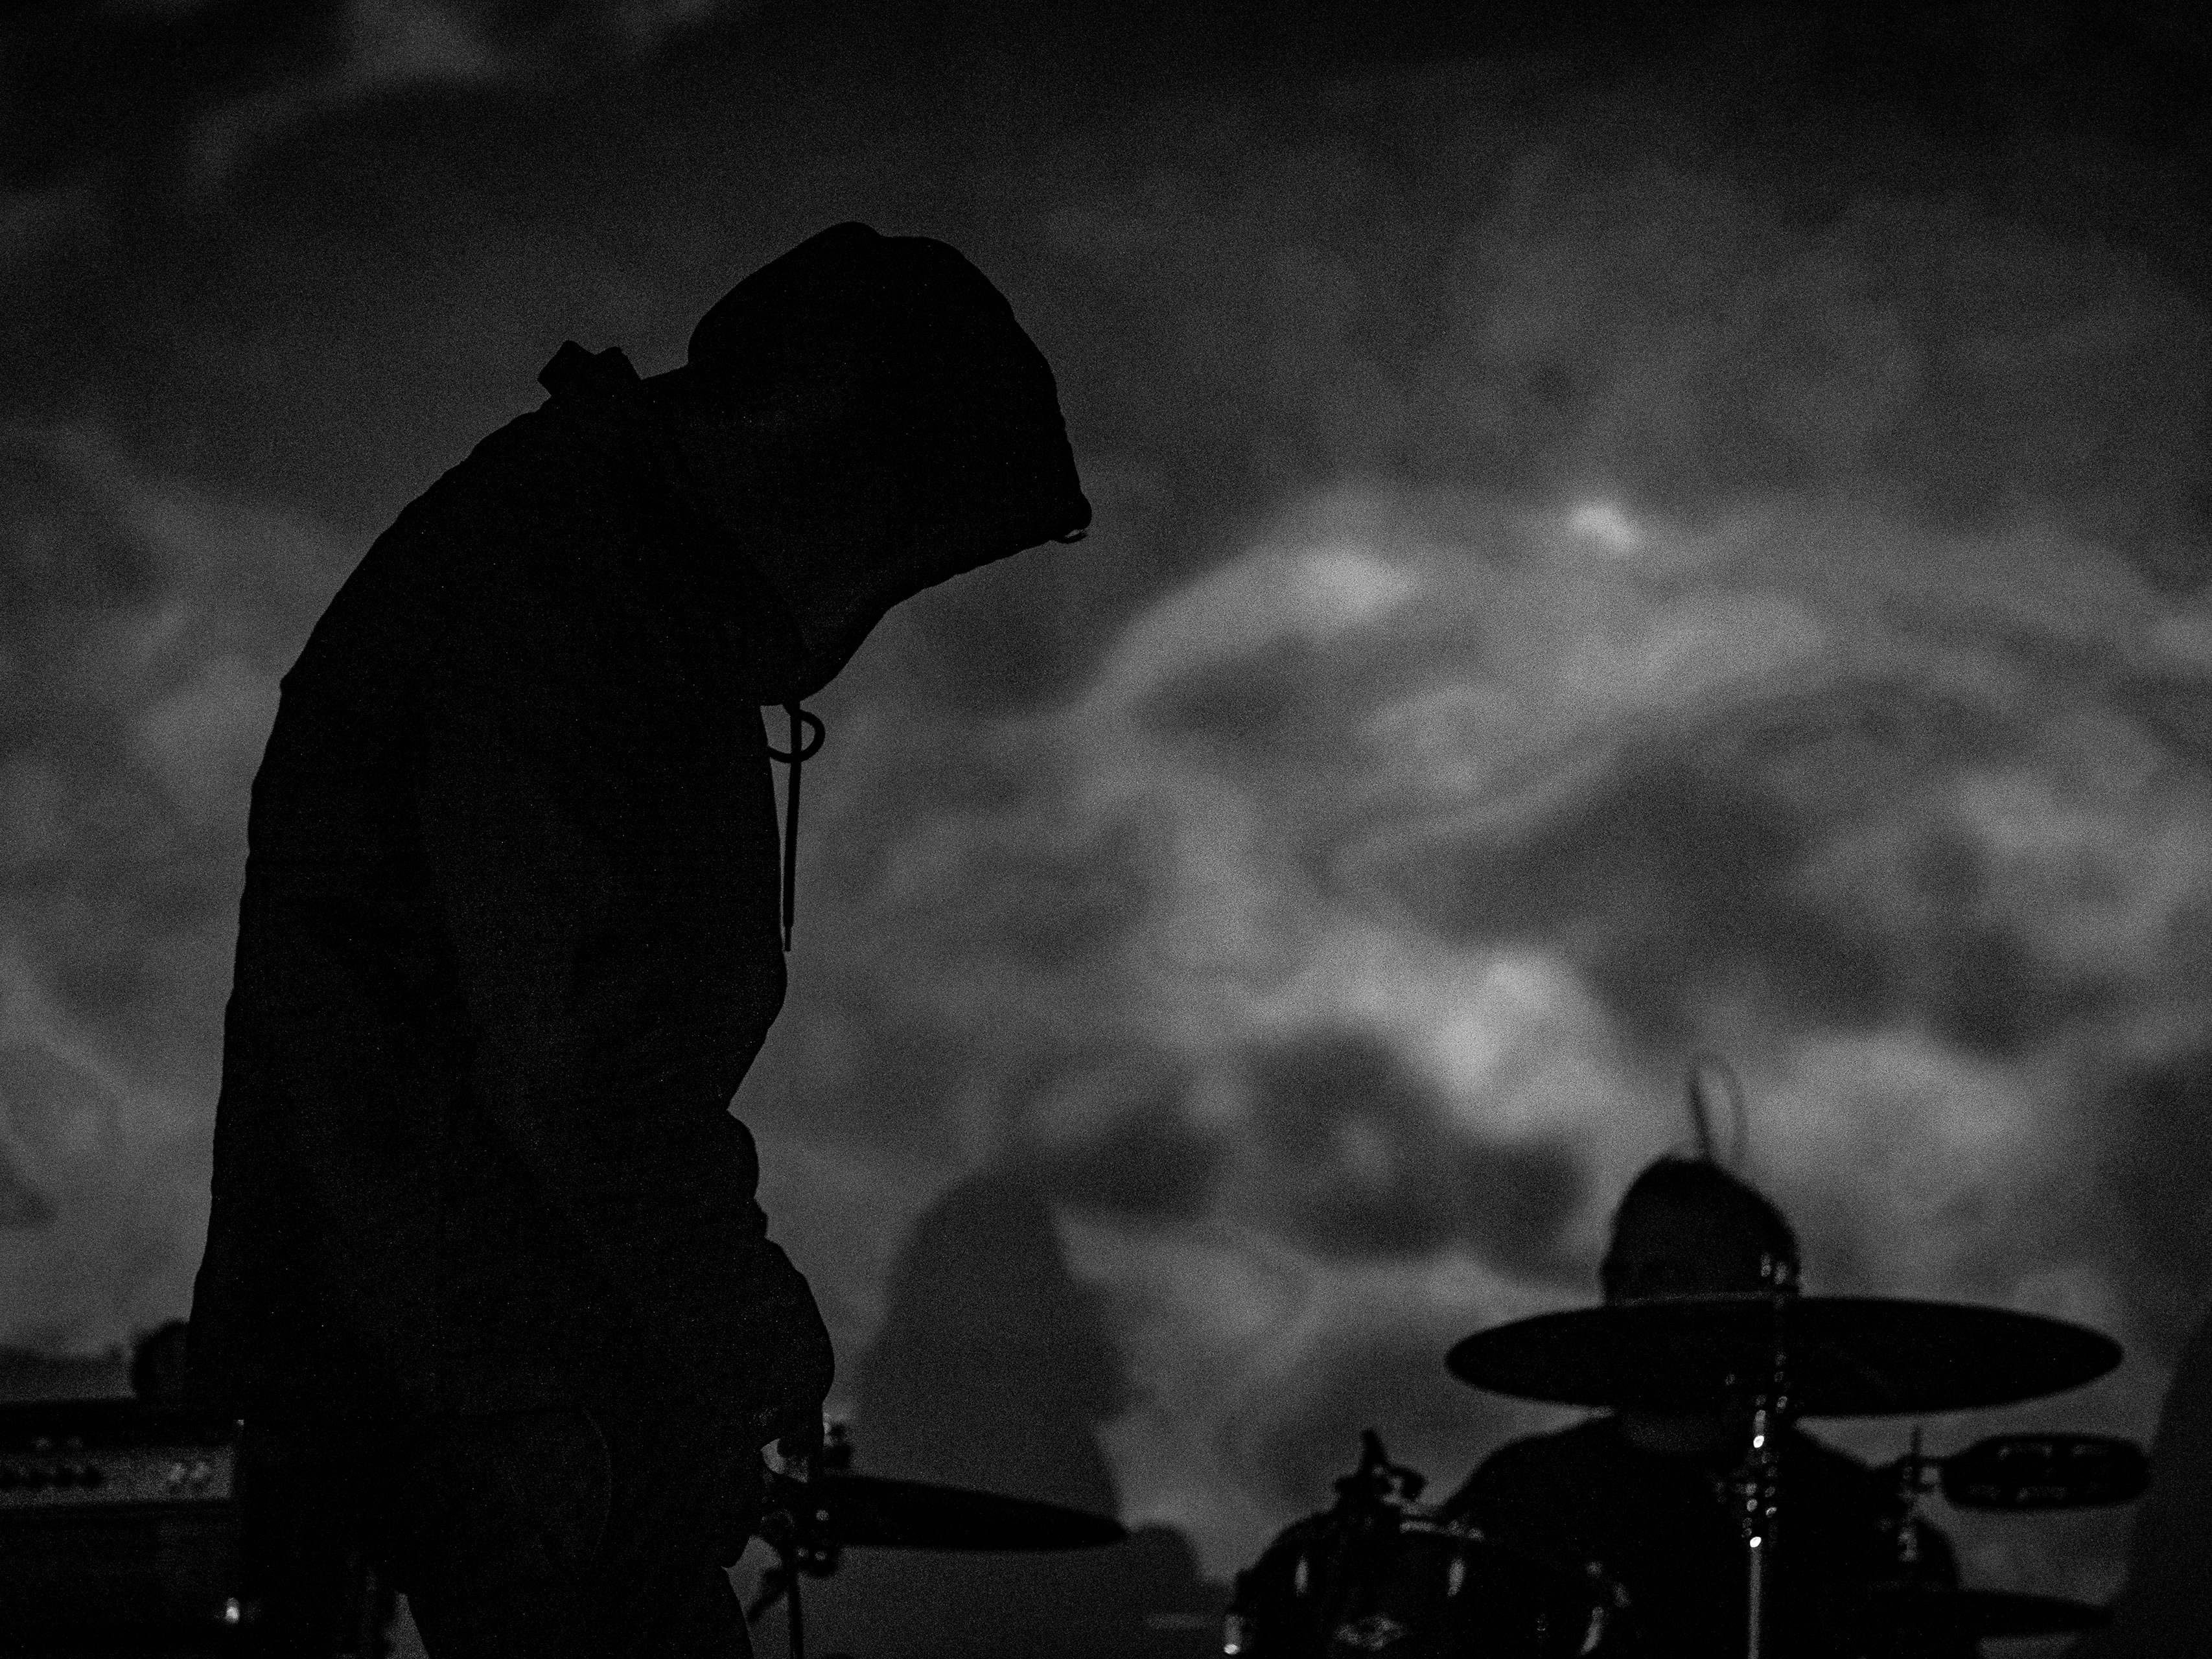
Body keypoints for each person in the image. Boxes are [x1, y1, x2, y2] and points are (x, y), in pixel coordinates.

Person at [183, 222, 1091, 1658]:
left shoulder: (565, 553)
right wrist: (741, 1330)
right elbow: (572, 1046)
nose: (870, 601)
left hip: (476, 1367)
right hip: (485, 1379)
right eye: (894, 549)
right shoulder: (558, 587)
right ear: (809, 461)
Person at [1443, 1156, 1966, 1658]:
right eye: (1618, 1278)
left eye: (1665, 1277)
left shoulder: (1855, 1525)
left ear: (1760, 1300)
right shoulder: (1525, 1493)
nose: (1629, 1301)